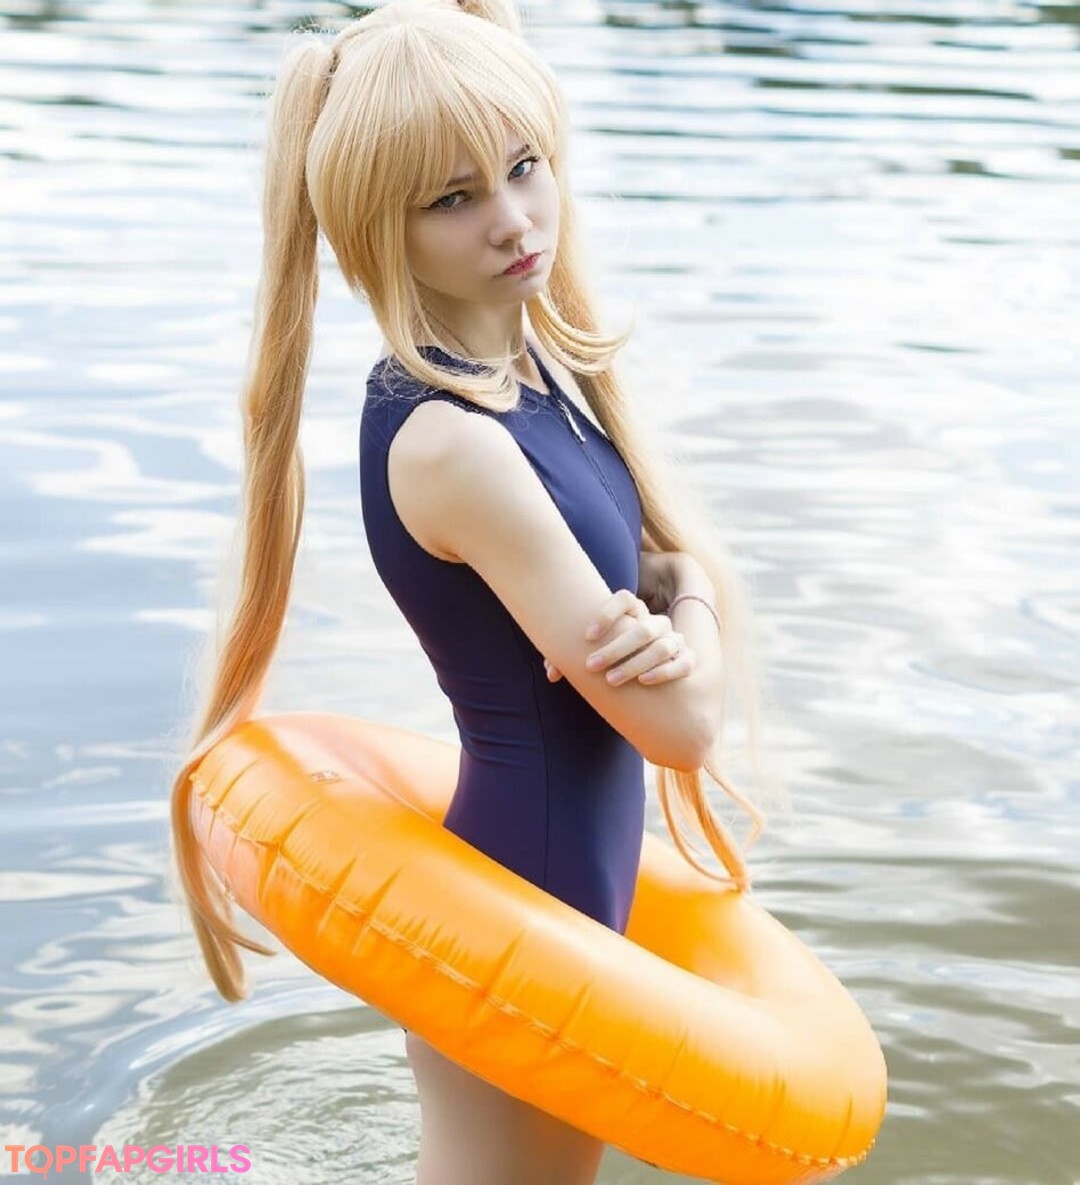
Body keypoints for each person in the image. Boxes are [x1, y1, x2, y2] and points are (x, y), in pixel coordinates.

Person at [168, 2, 776, 1182]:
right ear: (375, 230)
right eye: (453, 199)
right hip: (523, 909)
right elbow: (681, 727)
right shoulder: (452, 443)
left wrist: (665, 595)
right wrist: (690, 591)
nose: (512, 220)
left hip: (553, 890)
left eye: (524, 166)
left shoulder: (524, 367)